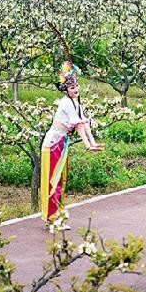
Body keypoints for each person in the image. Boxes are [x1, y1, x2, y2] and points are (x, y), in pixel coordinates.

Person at [40, 60, 103, 221]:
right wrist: (87, 145)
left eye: (77, 86)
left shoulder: (75, 103)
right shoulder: (66, 103)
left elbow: (84, 123)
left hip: (61, 143)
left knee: (61, 180)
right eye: (72, 87)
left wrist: (93, 142)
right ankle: (52, 218)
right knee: (53, 181)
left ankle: (57, 216)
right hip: (54, 143)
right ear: (66, 90)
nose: (76, 89)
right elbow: (79, 125)